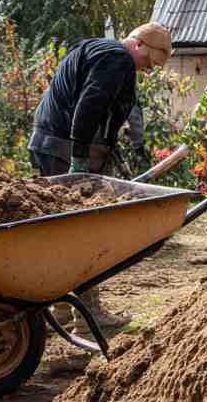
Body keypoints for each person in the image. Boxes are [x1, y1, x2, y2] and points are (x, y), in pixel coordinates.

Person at [28, 22, 171, 328]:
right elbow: (89, 104)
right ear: (139, 45)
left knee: (64, 229)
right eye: (148, 63)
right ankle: (88, 313)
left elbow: (90, 103)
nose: (146, 70)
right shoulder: (118, 58)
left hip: (47, 144)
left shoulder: (92, 48)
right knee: (85, 230)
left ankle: (62, 309)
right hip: (65, 150)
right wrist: (79, 159)